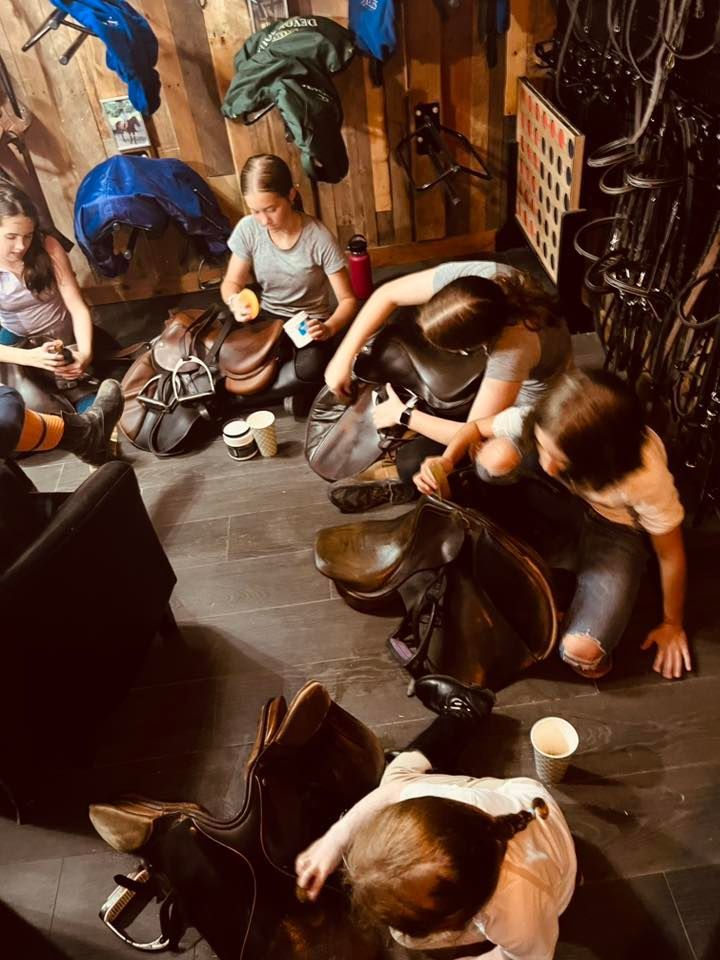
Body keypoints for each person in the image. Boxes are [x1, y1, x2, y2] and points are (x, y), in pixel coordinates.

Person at [417, 369, 691, 682]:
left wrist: (672, 623)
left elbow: (670, 554)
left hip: (616, 528)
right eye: (544, 447)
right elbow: (477, 428)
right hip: (561, 499)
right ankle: (539, 549)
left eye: (561, 459)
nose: (548, 464)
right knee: (495, 458)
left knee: (583, 655)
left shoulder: (643, 476)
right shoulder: (549, 418)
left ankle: (560, 584)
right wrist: (446, 461)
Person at [295, 677, 576, 960]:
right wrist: (335, 839)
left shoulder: (518, 914)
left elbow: (530, 958)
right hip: (527, 801)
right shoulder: (440, 805)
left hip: (556, 877)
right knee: (395, 780)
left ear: (458, 917)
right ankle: (465, 712)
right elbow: (392, 794)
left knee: (403, 937)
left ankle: (463, 716)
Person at [323, 261, 572, 513]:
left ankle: (460, 492)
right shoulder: (484, 281)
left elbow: (470, 432)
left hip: (531, 412)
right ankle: (408, 468)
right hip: (498, 380)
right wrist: (343, 356)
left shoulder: (513, 349)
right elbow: (387, 294)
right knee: (428, 401)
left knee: (476, 461)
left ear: (475, 347)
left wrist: (403, 415)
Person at [220, 154, 358, 392]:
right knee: (220, 346)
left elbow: (348, 301)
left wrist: (329, 328)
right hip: (267, 316)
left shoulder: (318, 237)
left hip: (308, 323)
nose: (263, 221)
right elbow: (231, 282)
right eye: (255, 211)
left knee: (311, 368)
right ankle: (284, 390)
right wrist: (234, 301)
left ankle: (255, 391)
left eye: (271, 209)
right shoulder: (248, 228)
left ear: (291, 195)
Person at [0, 184, 107, 413]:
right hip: (17, 340)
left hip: (60, 335)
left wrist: (85, 354)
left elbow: (77, 307)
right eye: (11, 237)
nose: (21, 246)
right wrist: (29, 358)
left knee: (85, 398)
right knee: (20, 407)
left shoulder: (47, 245)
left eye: (27, 236)